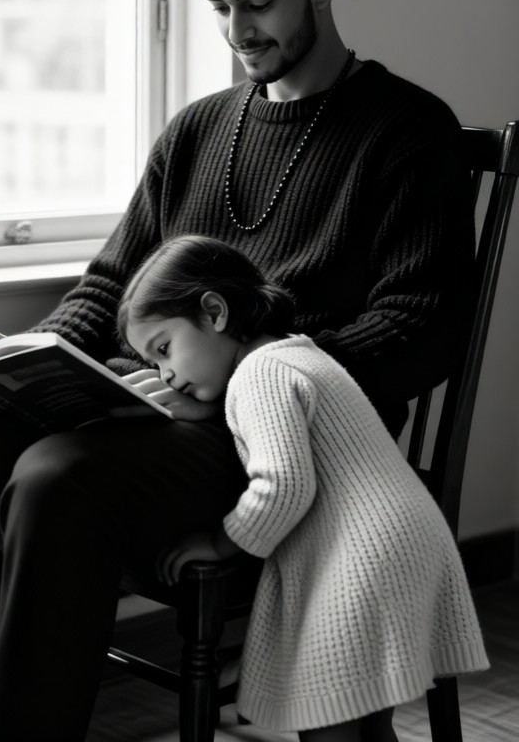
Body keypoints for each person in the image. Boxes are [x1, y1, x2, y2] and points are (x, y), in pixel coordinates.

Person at [0, 0, 475, 742]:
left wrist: (239, 377)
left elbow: (421, 326)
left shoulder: (408, 131)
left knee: (57, 478)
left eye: (258, 2)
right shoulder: (200, 129)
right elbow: (111, 285)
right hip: (153, 396)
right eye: (217, 7)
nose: (238, 32)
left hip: (280, 428)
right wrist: (27, 354)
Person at [119, 234, 488, 742]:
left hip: (360, 558)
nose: (166, 375)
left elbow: (283, 486)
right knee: (368, 717)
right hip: (408, 538)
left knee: (325, 719)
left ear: (214, 312)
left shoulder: (258, 375)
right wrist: (210, 406)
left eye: (164, 349)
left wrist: (219, 542)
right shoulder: (293, 356)